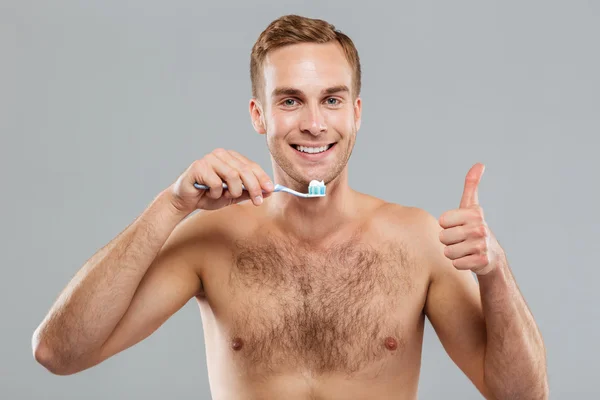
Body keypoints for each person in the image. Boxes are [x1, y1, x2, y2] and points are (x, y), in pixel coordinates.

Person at [32, 14, 549, 399]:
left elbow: (524, 396)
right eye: (290, 100)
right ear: (259, 115)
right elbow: (59, 353)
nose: (315, 123)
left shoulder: (418, 241)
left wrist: (494, 272)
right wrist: (170, 206)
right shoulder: (210, 243)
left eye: (331, 99)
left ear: (357, 112)